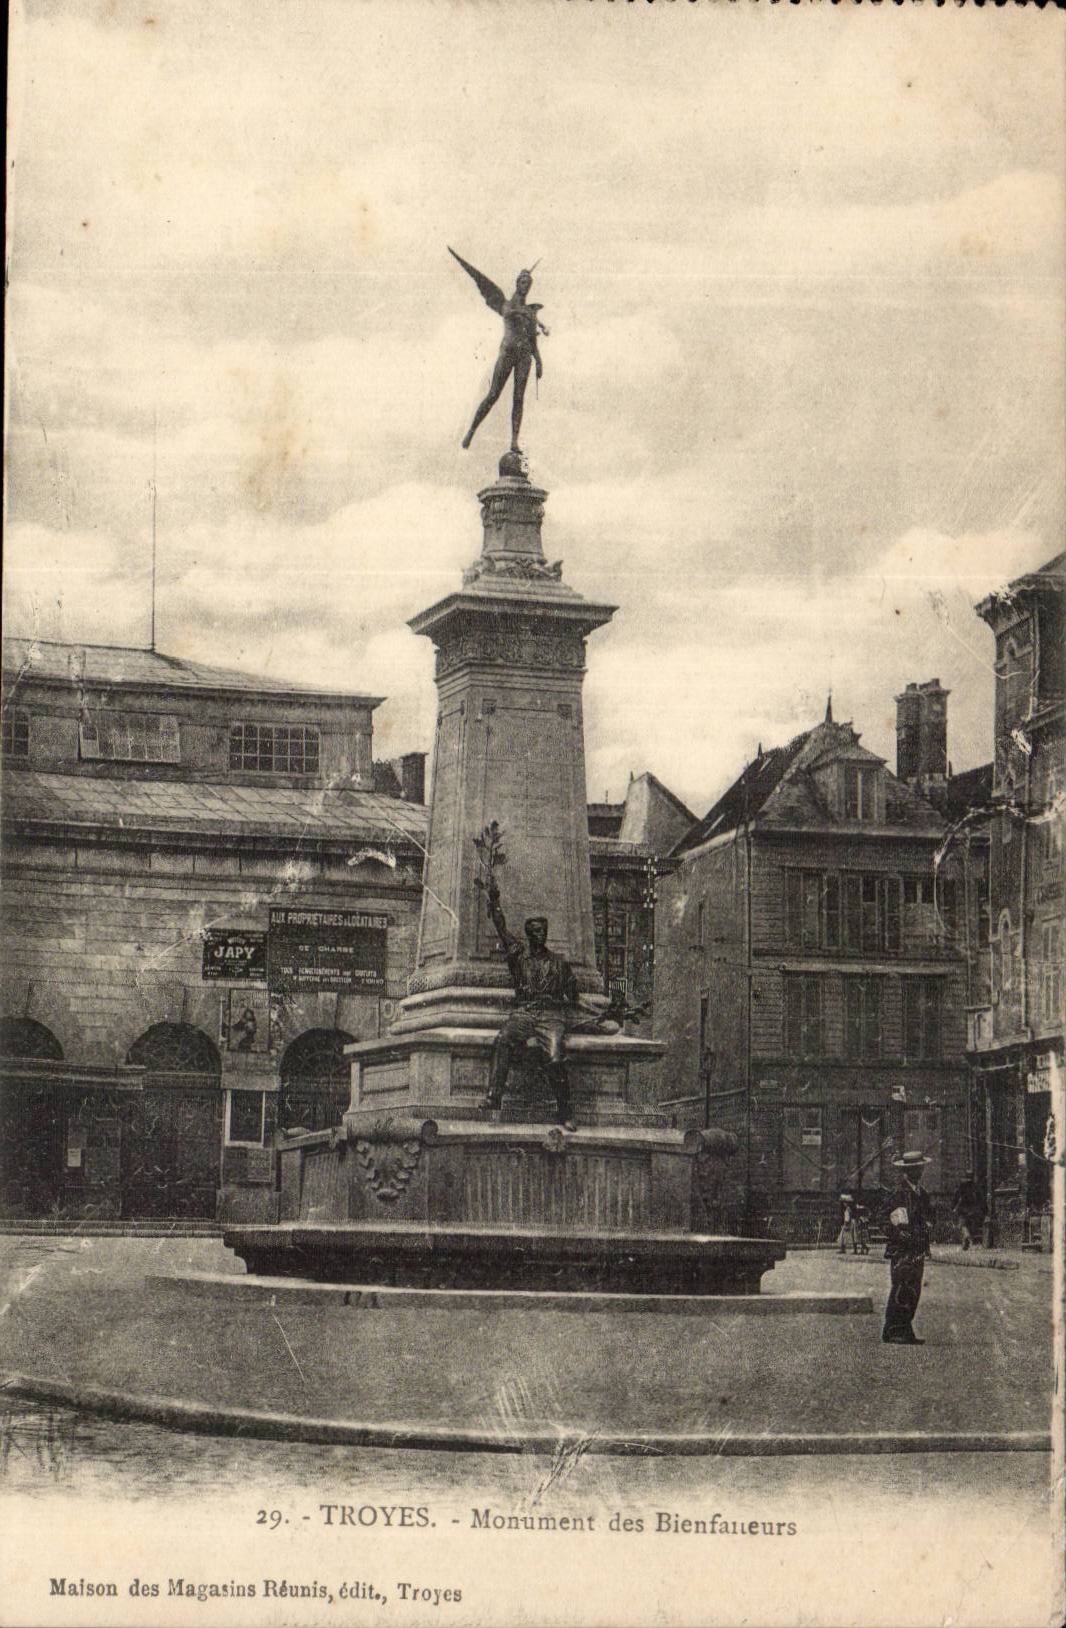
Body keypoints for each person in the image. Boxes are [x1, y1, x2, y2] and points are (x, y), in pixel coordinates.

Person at [478, 873, 617, 1131]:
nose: (540, 935)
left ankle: (565, 1111)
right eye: (535, 932)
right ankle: (493, 1098)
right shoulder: (518, 957)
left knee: (555, 1057)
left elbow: (575, 998)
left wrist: (599, 1012)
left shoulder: (559, 963)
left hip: (551, 1016)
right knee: (502, 1040)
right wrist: (494, 900)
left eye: (543, 931)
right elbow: (501, 927)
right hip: (524, 1013)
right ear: (529, 935)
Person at [449, 249, 548, 452]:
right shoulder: (505, 304)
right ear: (517, 283)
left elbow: (532, 338)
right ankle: (471, 431)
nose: (525, 287)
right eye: (522, 283)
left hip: (524, 356)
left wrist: (538, 361)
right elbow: (489, 291)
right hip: (508, 352)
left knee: (518, 398)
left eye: (528, 284)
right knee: (493, 393)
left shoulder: (531, 312)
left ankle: (514, 441)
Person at [882, 1150, 934, 1346]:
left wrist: (929, 1224)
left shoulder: (923, 1194)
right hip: (901, 1249)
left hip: (917, 1248)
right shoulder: (897, 1194)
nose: (918, 1172)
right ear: (906, 1171)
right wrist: (898, 1234)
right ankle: (893, 1330)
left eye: (919, 1168)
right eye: (913, 1169)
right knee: (901, 1287)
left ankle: (904, 1329)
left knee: (913, 1289)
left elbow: (930, 1216)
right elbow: (883, 1219)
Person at [951, 1170, 984, 1251]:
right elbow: (980, 1197)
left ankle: (966, 1237)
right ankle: (966, 1243)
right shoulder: (975, 1186)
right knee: (970, 1225)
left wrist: (953, 1207)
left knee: (962, 1225)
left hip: (963, 1208)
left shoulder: (961, 1185)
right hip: (973, 1208)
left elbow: (956, 1196)